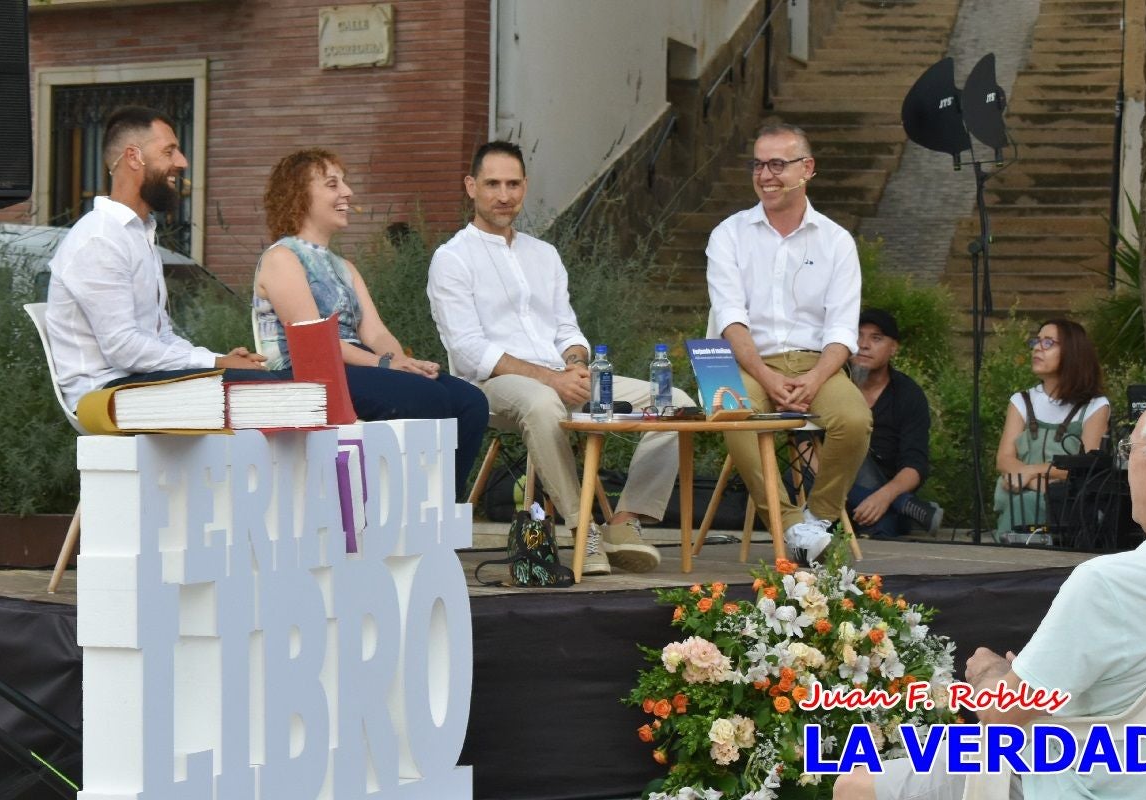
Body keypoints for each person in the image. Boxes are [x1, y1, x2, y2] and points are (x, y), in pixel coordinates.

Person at [834, 388, 1146, 800]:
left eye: (1128, 449)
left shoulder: (1109, 583)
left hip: (1078, 784)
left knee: (854, 785)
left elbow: (1002, 716)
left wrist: (990, 675)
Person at [426, 140, 693, 576]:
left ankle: (625, 522)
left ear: (525, 186)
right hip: (489, 387)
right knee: (541, 401)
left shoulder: (543, 254)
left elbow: (568, 328)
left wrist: (575, 364)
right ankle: (583, 528)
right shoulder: (452, 258)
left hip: (561, 380)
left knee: (675, 401)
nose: (504, 195)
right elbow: (469, 350)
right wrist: (552, 380)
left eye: (513, 184)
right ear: (471, 186)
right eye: (492, 184)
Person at [253, 148, 488, 497]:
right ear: (299, 195)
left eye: (344, 183)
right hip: (306, 375)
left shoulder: (344, 267)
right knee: (427, 397)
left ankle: (441, 505)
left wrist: (403, 363)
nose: (347, 192)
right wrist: (386, 365)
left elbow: (375, 332)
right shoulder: (282, 258)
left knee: (470, 402)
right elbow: (317, 346)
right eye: (333, 184)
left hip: (355, 367)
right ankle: (410, 504)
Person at [705, 122, 872, 564]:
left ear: (807, 168)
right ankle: (790, 523)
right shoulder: (729, 234)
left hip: (816, 364)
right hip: (744, 362)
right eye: (758, 165)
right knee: (732, 411)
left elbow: (842, 330)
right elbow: (731, 320)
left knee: (855, 420)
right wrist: (766, 376)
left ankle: (819, 519)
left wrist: (815, 379)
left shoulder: (836, 240)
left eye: (778, 164)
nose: (766, 175)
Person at [46, 106, 272, 412]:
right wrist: (215, 363)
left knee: (272, 383)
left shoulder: (137, 232)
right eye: (169, 151)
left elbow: (161, 336)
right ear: (133, 157)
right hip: (104, 394)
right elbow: (123, 349)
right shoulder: (100, 238)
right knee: (264, 391)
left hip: (138, 383)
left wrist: (216, 360)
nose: (182, 162)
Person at [993, 319, 1110, 538]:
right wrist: (1036, 482)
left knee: (1027, 501)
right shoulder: (1021, 400)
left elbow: (1088, 466)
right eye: (1036, 341)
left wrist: (1030, 472)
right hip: (1019, 495)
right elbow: (1004, 459)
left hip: (1068, 505)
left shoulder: (1095, 405)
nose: (1037, 348)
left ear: (1072, 352)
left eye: (1048, 343)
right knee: (1020, 502)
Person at [847, 308, 942, 538]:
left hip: (884, 488)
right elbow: (805, 447)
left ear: (893, 348)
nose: (864, 345)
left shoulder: (908, 394)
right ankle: (904, 506)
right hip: (826, 486)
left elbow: (915, 465)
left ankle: (894, 506)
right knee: (835, 459)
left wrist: (885, 496)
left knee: (864, 466)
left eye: (876, 338)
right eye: (858, 336)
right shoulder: (833, 385)